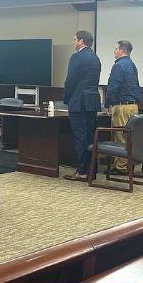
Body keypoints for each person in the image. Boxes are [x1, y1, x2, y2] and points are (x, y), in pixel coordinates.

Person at [63, 30, 102, 181]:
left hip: (78, 101)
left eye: (75, 40)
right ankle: (92, 169)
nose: (74, 43)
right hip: (92, 102)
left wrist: (67, 98)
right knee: (90, 137)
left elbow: (70, 81)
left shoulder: (77, 57)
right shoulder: (95, 58)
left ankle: (83, 171)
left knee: (80, 137)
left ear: (81, 41)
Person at [104, 39, 142, 174]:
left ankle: (121, 167)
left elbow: (113, 87)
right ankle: (127, 163)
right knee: (130, 137)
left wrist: (107, 104)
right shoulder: (132, 65)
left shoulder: (118, 66)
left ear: (121, 50)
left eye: (115, 48)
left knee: (120, 136)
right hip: (133, 106)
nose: (114, 51)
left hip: (122, 107)